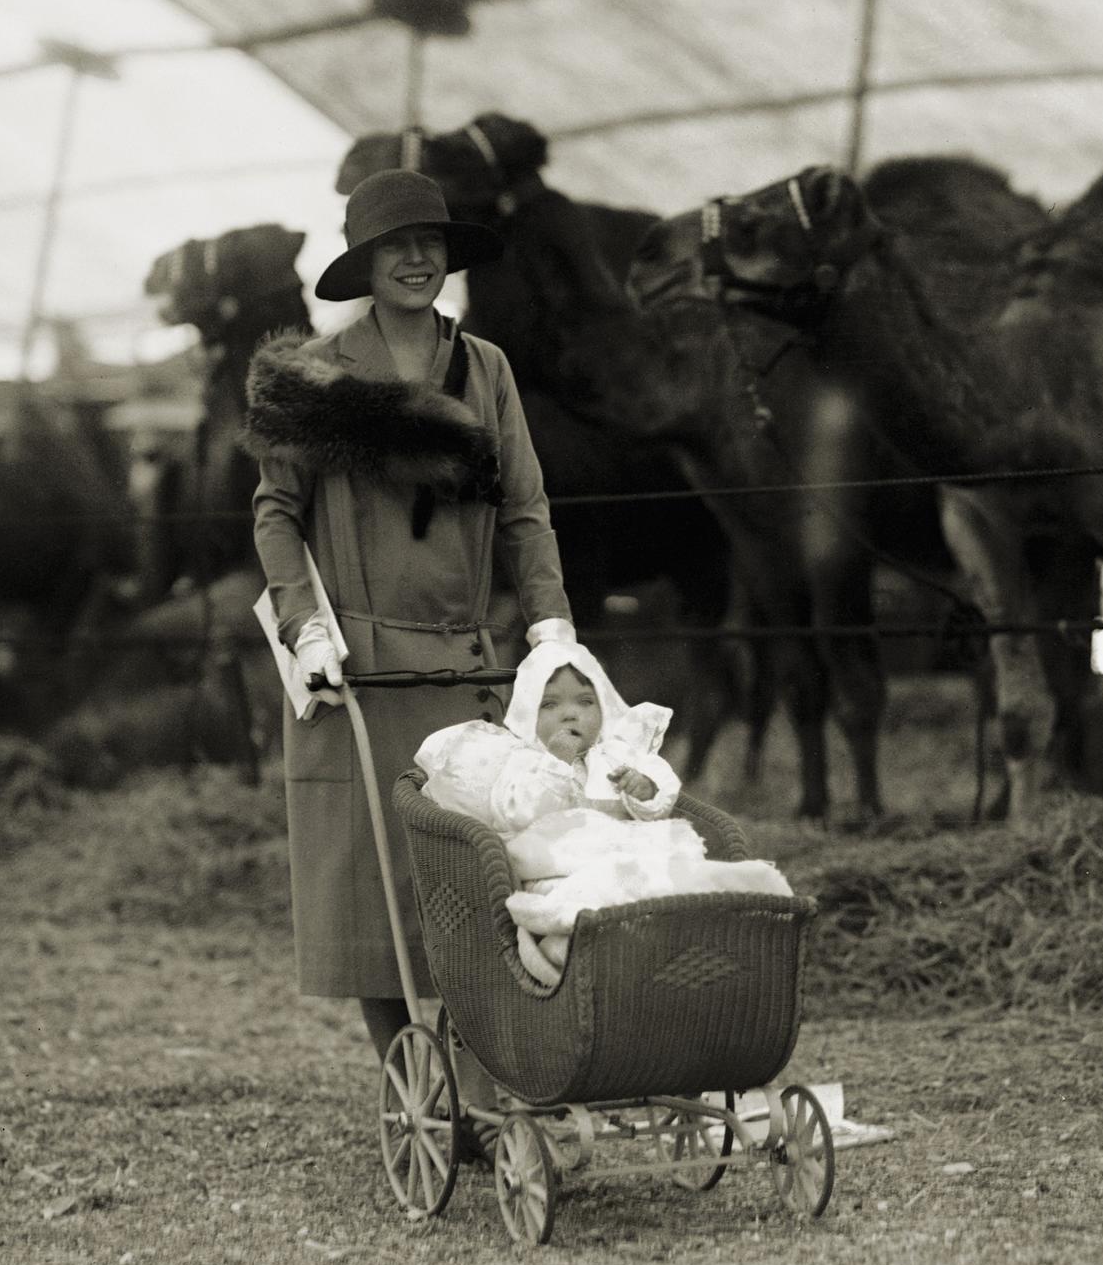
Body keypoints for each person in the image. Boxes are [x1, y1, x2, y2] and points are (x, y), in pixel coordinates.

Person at [245, 169, 576, 1104]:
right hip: (356, 677)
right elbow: (275, 512)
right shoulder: (317, 378)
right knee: (373, 893)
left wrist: (549, 620)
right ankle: (412, 1090)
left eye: (431, 243)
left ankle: (480, 1076)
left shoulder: (486, 369)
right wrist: (305, 627)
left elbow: (526, 507)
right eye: (397, 246)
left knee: (479, 883)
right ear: (366, 263)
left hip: (472, 671)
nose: (419, 259)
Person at [415, 639, 790, 988]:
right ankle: (580, 950)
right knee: (582, 898)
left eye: (584, 702)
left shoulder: (619, 755)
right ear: (528, 714)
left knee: (676, 880)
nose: (570, 715)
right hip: (557, 869)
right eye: (551, 705)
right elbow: (515, 813)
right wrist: (555, 765)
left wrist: (644, 791)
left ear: (603, 708)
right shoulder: (522, 763)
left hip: (630, 860)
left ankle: (696, 935)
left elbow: (661, 796)